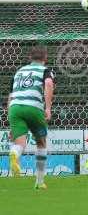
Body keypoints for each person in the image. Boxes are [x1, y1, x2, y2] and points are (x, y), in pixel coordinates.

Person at [8, 46, 55, 189]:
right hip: (33, 108)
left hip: (14, 108)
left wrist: (11, 122)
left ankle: (14, 153)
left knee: (20, 144)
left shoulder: (19, 72)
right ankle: (39, 182)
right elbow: (48, 83)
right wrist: (47, 108)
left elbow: (10, 96)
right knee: (41, 143)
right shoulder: (45, 70)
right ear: (45, 58)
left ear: (30, 58)